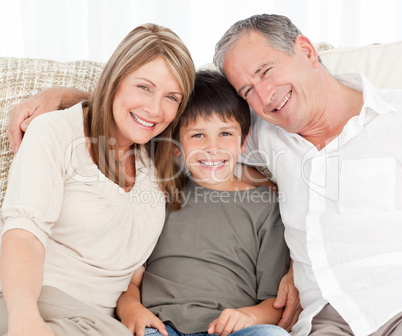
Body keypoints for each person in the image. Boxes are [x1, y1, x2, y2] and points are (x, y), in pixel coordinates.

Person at [212, 13, 402, 336]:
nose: (264, 96)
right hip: (324, 320)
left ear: (307, 51)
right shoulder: (262, 133)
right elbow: (187, 128)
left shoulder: (393, 118)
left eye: (266, 71)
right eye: (247, 91)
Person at [0, 23, 195, 336]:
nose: (154, 109)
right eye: (143, 87)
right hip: (33, 300)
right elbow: (23, 234)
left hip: (98, 322)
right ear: (115, 79)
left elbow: (231, 135)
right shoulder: (55, 132)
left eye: (171, 97)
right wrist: (25, 318)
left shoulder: (162, 157)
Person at [116, 69, 291, 336]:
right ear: (176, 146)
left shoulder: (267, 207)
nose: (212, 147)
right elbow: (132, 279)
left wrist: (249, 315)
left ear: (244, 142)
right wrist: (130, 307)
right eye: (198, 135)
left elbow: (274, 302)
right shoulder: (159, 193)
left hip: (229, 330)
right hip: (161, 326)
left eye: (225, 134)